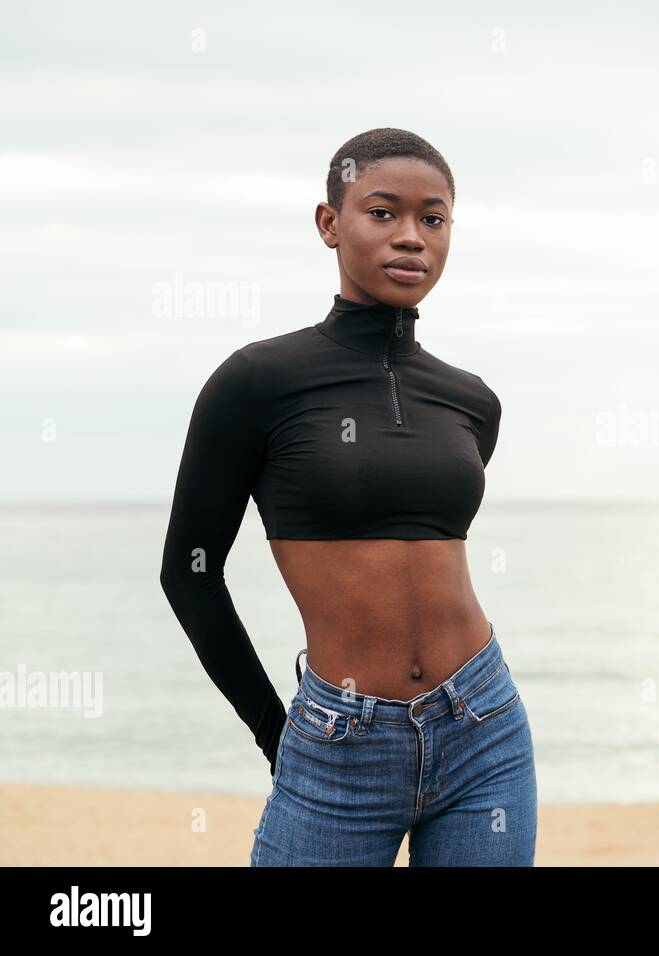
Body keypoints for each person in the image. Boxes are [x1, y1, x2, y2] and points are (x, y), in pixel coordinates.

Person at [158, 128, 536, 866]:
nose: (411, 237)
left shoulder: (472, 402)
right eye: (382, 212)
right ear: (330, 223)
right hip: (337, 743)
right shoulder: (257, 382)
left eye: (433, 218)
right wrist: (277, 732)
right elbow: (190, 573)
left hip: (484, 726)